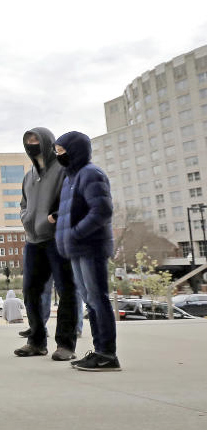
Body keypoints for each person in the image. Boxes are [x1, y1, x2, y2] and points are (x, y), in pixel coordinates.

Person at [54, 131, 121, 372]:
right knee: (90, 302)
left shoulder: (91, 174)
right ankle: (99, 351)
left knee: (97, 299)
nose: (57, 155)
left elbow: (102, 211)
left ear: (75, 150)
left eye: (61, 151)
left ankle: (107, 354)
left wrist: (74, 233)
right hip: (77, 250)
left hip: (90, 248)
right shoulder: (70, 178)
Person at [14, 128, 79, 362]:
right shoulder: (28, 175)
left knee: (67, 291)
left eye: (36, 140)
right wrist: (25, 218)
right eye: (28, 141)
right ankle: (37, 341)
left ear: (48, 143)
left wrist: (53, 217)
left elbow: (74, 198)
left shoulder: (63, 169)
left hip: (57, 239)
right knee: (30, 291)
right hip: (33, 241)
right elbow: (23, 203)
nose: (32, 144)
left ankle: (66, 345)